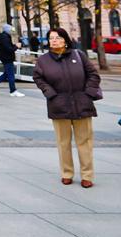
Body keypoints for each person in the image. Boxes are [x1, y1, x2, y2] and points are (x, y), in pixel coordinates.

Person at [33, 27, 99, 187]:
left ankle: (87, 176)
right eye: (51, 38)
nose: (53, 40)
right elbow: (38, 77)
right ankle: (67, 173)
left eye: (57, 37)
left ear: (65, 40)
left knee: (84, 141)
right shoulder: (43, 60)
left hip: (81, 103)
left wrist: (88, 93)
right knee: (63, 142)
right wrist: (50, 93)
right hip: (59, 104)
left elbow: (93, 74)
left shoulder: (79, 55)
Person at [0, 24, 25, 97]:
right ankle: (13, 91)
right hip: (7, 58)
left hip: (5, 57)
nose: (11, 31)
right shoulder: (4, 38)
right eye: (10, 30)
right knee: (11, 75)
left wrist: (15, 45)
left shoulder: (4, 37)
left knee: (7, 73)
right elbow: (9, 49)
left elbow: (8, 47)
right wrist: (16, 46)